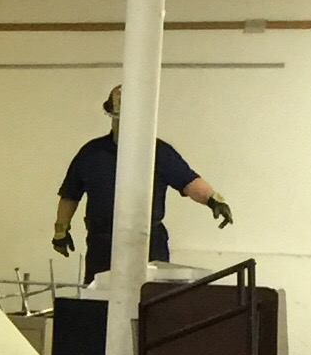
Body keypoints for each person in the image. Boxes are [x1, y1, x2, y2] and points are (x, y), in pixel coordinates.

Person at [52, 84, 233, 278]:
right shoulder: (91, 153)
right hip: (103, 243)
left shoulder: (158, 152)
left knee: (151, 293)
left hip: (148, 242)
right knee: (101, 293)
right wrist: (61, 230)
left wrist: (214, 200)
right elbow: (70, 194)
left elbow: (187, 181)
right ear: (111, 115)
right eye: (119, 118)